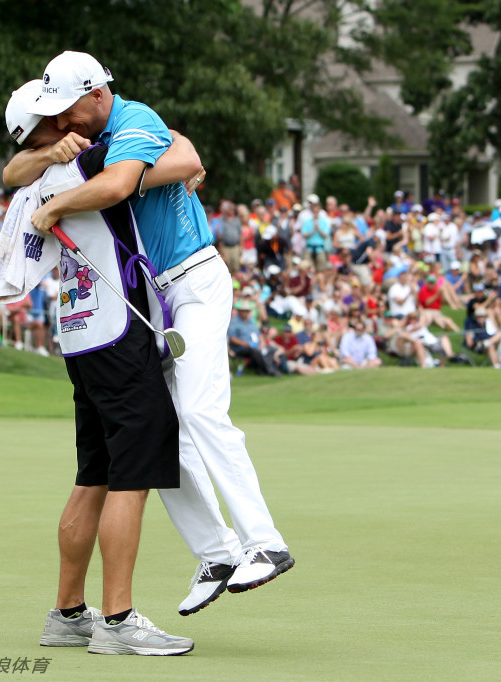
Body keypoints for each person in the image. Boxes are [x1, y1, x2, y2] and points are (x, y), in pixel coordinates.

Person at [15, 52, 293, 617]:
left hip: (194, 279)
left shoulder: (135, 120)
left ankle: (265, 541)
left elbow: (118, 185)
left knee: (197, 409)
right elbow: (14, 171)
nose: (65, 121)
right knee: (162, 428)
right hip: (157, 297)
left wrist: (56, 204)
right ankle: (217, 553)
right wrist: (51, 155)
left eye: (70, 110)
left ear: (97, 95)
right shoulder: (94, 137)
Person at [0, 81, 192, 654]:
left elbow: (12, 169)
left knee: (94, 476)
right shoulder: (90, 162)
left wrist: (42, 154)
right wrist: (173, 149)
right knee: (130, 480)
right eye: (57, 114)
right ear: (51, 128)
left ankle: (67, 613)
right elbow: (182, 157)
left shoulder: (38, 175)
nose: (71, 117)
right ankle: (117, 621)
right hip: (120, 333)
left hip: (80, 337)